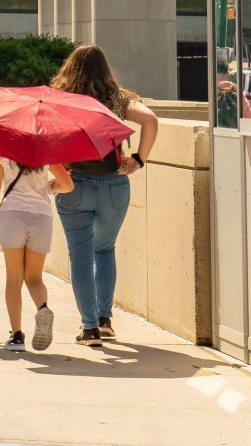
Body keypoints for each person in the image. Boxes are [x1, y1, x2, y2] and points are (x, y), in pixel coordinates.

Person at [50, 45, 159, 344]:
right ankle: (104, 318)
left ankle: (89, 329)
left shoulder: (62, 100)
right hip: (114, 185)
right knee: (104, 249)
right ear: (105, 69)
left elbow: (48, 141)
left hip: (75, 185)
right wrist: (138, 159)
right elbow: (151, 120)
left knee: (81, 257)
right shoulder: (117, 99)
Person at [0, 153, 72, 351]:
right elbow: (68, 185)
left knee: (14, 279)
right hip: (41, 217)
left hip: (12, 216)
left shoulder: (2, 155)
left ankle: (16, 336)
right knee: (34, 278)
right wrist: (49, 186)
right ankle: (43, 308)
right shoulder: (46, 153)